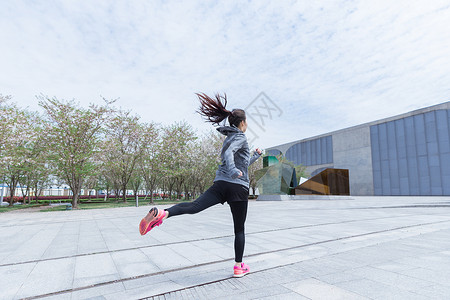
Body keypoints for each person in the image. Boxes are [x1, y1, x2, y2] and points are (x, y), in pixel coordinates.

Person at [139, 92, 262, 278]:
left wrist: (255, 156)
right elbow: (230, 158)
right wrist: (233, 171)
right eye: (247, 122)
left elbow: (240, 164)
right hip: (237, 187)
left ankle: (164, 214)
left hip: (221, 184)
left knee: (195, 206)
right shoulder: (241, 138)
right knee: (239, 229)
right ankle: (239, 266)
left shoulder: (229, 138)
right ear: (243, 123)